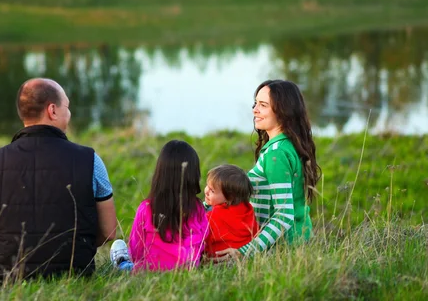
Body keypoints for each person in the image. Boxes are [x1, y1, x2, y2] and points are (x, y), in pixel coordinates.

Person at [0, 78, 117, 281]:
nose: (69, 113)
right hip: (73, 274)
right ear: (52, 111)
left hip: (5, 277)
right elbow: (109, 231)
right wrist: (78, 246)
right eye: (67, 107)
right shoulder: (90, 160)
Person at [215, 79, 321, 260]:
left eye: (263, 105)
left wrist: (244, 252)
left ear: (283, 112)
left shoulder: (277, 153)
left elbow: (284, 215)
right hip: (295, 242)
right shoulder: (287, 145)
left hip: (282, 249)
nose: (254, 110)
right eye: (255, 103)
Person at [110, 140, 208, 272]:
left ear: (160, 174)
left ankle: (121, 263)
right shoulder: (198, 209)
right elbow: (202, 243)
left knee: (128, 264)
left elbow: (136, 251)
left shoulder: (147, 208)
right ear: (194, 175)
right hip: (187, 268)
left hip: (149, 270)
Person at [203, 164, 259, 257]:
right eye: (207, 186)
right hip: (242, 255)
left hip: (218, 259)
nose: (206, 191)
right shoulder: (247, 209)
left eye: (212, 191)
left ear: (230, 198)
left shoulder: (214, 216)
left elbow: (202, 240)